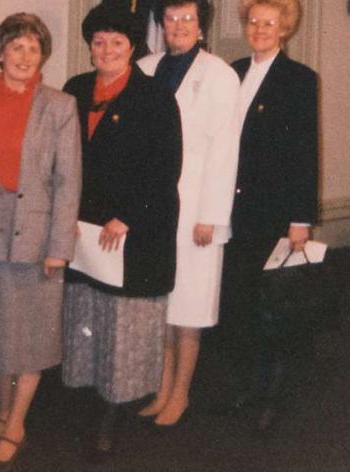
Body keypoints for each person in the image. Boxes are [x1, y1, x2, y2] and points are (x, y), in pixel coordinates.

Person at [62, 3, 182, 460]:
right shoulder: (75, 89)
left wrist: (127, 216)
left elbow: (165, 167)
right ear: (90, 47)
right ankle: (88, 395)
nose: (106, 50)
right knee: (87, 314)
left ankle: (113, 410)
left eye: (116, 42)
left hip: (132, 229)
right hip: (84, 226)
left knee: (121, 322)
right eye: (98, 42)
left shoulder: (153, 96)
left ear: (132, 47)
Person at [0, 13, 82, 472]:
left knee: (32, 334)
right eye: (16, 47)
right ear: (0, 52)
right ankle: (0, 411)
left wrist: (59, 246)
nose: (24, 56)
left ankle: (17, 422)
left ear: (43, 57)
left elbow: (68, 181)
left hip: (37, 239)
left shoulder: (60, 105)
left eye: (33, 49)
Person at [137, 0, 240, 427]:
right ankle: (161, 387)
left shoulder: (219, 75)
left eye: (187, 19)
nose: (178, 26)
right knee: (159, 304)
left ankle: (180, 393)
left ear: (201, 27)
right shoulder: (144, 67)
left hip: (196, 207)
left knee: (190, 308)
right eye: (171, 19)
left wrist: (211, 215)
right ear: (161, 24)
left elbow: (224, 149)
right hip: (153, 208)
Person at [221, 0, 318, 432]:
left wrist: (300, 219)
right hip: (233, 208)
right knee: (240, 301)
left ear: (286, 29)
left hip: (273, 211)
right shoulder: (233, 71)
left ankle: (273, 396)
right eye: (254, 21)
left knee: (273, 308)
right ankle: (248, 386)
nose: (260, 29)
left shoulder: (298, 80)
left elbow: (304, 153)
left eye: (270, 23)